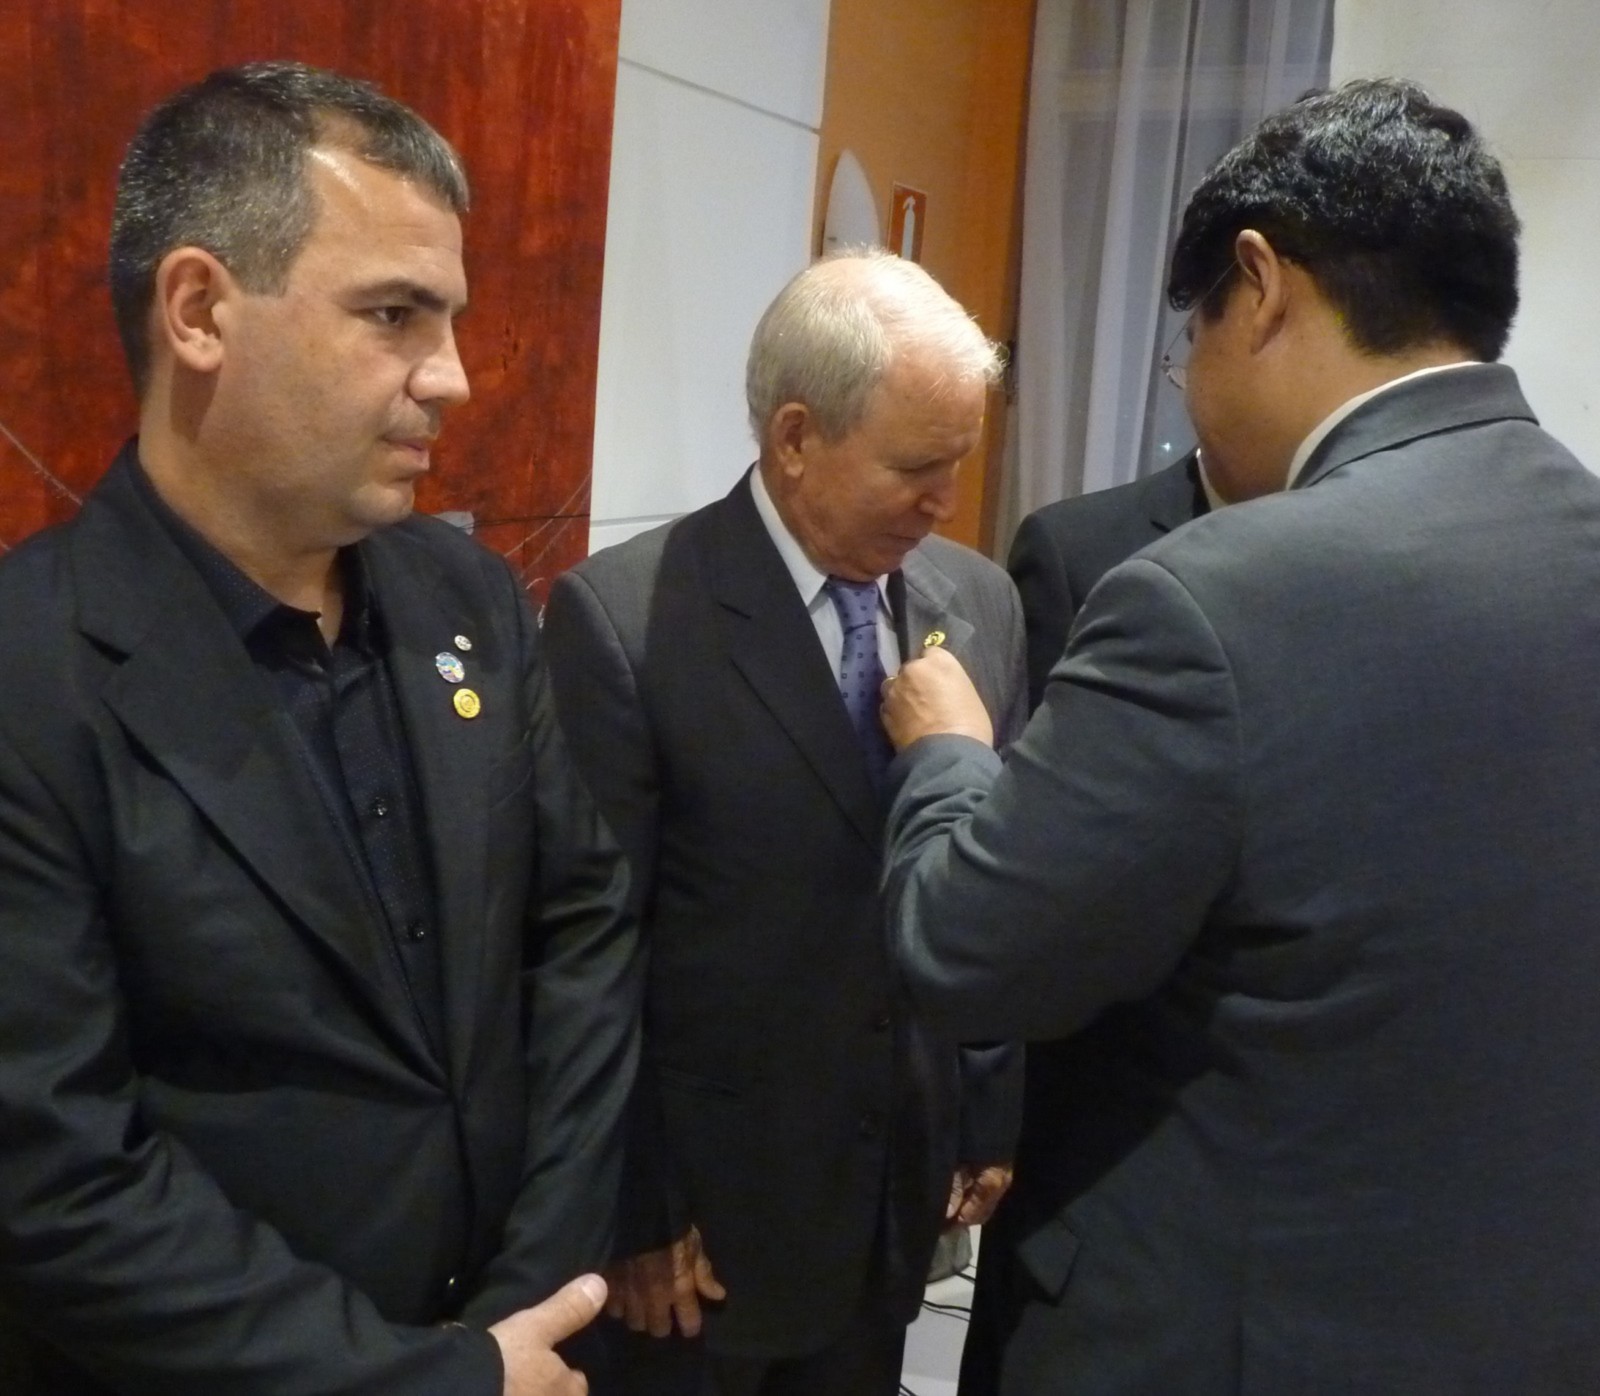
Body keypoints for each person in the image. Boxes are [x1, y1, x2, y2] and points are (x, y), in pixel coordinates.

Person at [877, 78, 1600, 1393]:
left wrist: (948, 754)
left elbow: (970, 949)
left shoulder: (1214, 595)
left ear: (1258, 287)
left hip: (1216, 1337)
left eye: (1193, 332)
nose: (1191, 383)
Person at [0, 62, 639, 1396]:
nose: (454, 378)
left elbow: (580, 930)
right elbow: (55, 1168)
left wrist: (525, 1312)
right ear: (199, 311)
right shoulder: (31, 669)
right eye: (394, 315)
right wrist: (429, 1381)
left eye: (450, 320)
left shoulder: (468, 599)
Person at [541, 250, 1027, 1396]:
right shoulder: (626, 619)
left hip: (892, 1198)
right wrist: (636, 1208)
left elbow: (998, 870)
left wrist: (983, 1108)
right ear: (797, 436)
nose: (942, 501)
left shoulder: (980, 603)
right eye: (915, 467)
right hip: (707, 1229)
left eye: (957, 463)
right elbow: (588, 949)